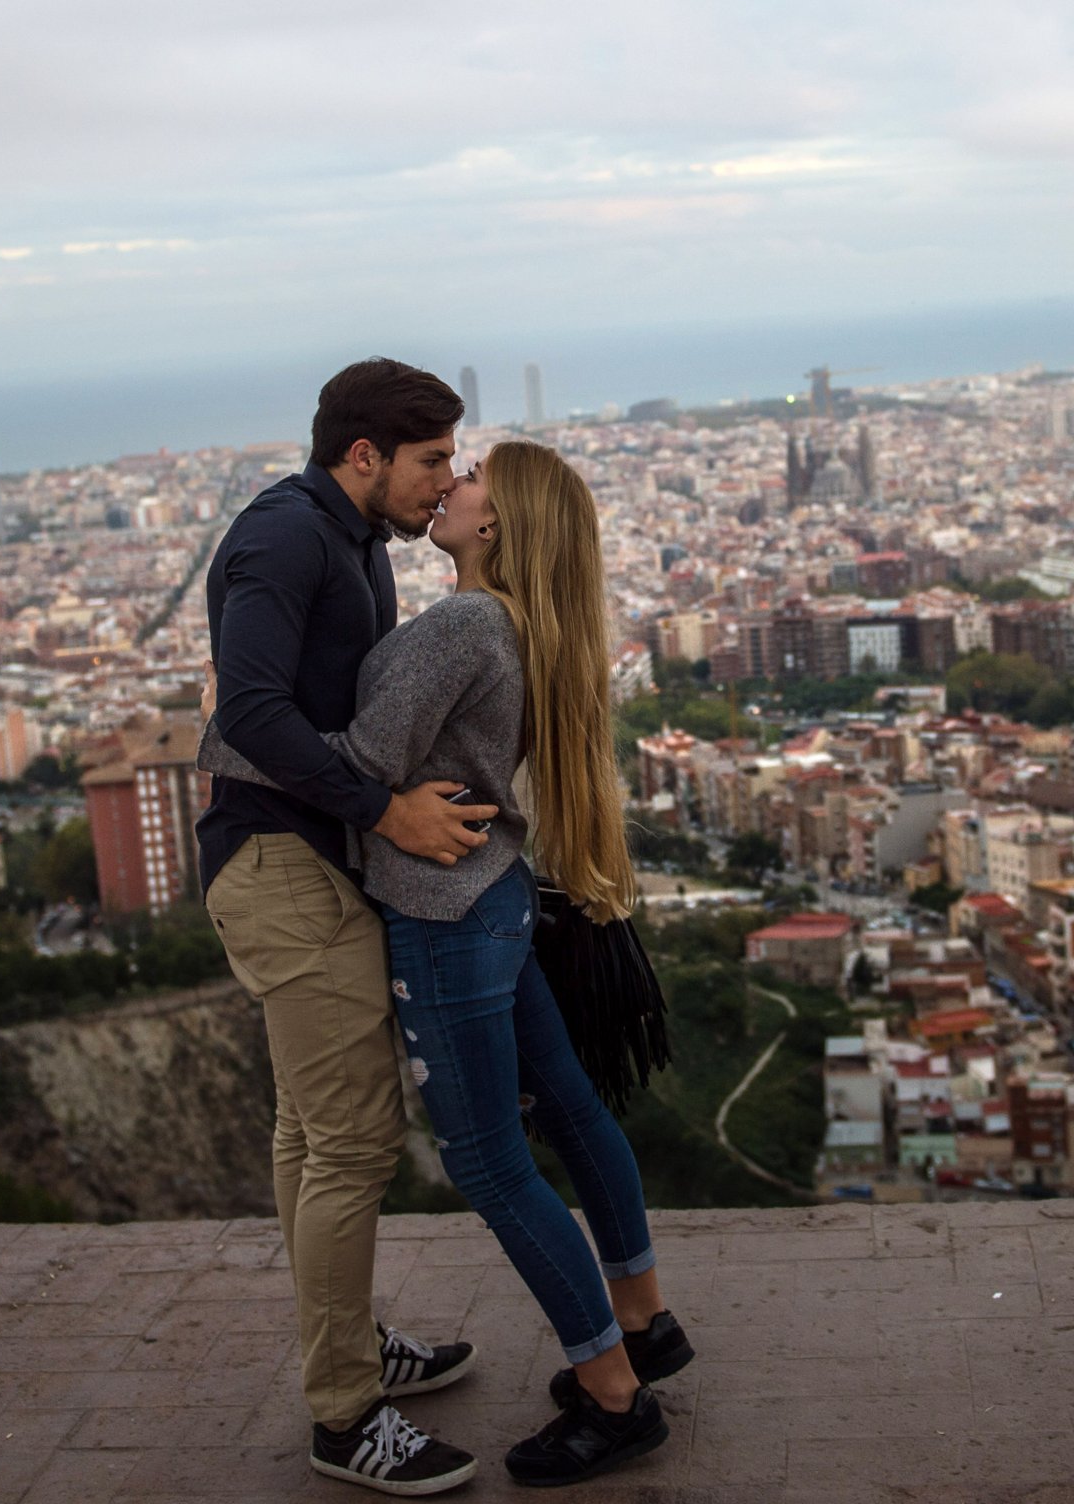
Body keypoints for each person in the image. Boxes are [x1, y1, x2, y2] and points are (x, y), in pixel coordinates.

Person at [204, 439, 693, 1489]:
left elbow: (365, 763)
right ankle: (640, 1320)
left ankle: (612, 1393)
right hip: (494, 893)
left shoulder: (466, 621)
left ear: (496, 522)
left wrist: (242, 734)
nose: (451, 484)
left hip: (443, 909)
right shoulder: (517, 623)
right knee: (564, 1103)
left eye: (469, 478)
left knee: (486, 1161)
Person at [198, 358, 501, 1496]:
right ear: (363, 456)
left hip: (301, 857)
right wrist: (385, 809)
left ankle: (351, 1348)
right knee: (357, 1141)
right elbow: (253, 708)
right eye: (430, 461)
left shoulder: (353, 542)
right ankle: (342, 1412)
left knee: (305, 1134)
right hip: (282, 864)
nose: (446, 481)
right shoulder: (288, 537)